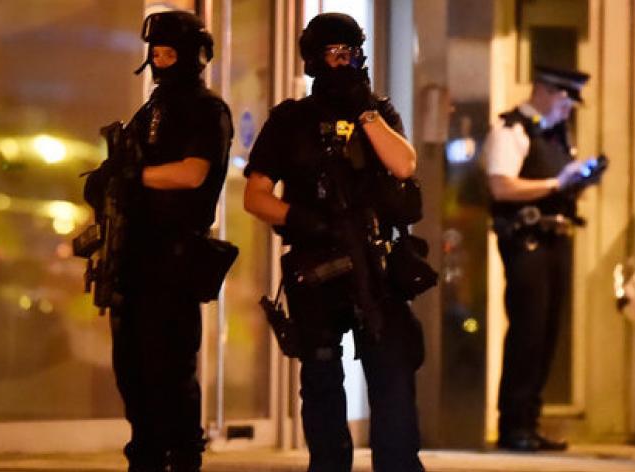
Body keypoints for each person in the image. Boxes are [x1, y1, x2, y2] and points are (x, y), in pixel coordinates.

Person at [243, 12, 426, 472]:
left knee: (392, 374)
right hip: (317, 265)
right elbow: (255, 195)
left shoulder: (376, 112)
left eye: (354, 52)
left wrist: (364, 111)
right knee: (322, 378)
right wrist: (301, 219)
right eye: (337, 53)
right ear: (314, 58)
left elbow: (404, 165)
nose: (348, 61)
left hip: (374, 264)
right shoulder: (290, 120)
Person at [109, 10, 233, 472]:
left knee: (170, 369)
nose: (160, 61)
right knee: (132, 369)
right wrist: (109, 180)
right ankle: (145, 454)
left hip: (174, 256)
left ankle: (181, 456)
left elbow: (193, 172)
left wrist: (133, 177)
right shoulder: (151, 110)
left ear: (194, 56)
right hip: (135, 255)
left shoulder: (205, 109)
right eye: (155, 52)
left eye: (168, 52)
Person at [484, 65, 595, 452]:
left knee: (547, 335)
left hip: (556, 238)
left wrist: (577, 182)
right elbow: (501, 185)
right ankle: (513, 425)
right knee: (527, 332)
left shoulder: (556, 134)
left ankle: (529, 422)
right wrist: (555, 183)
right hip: (526, 241)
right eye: (565, 99)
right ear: (544, 91)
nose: (569, 109)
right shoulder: (512, 130)